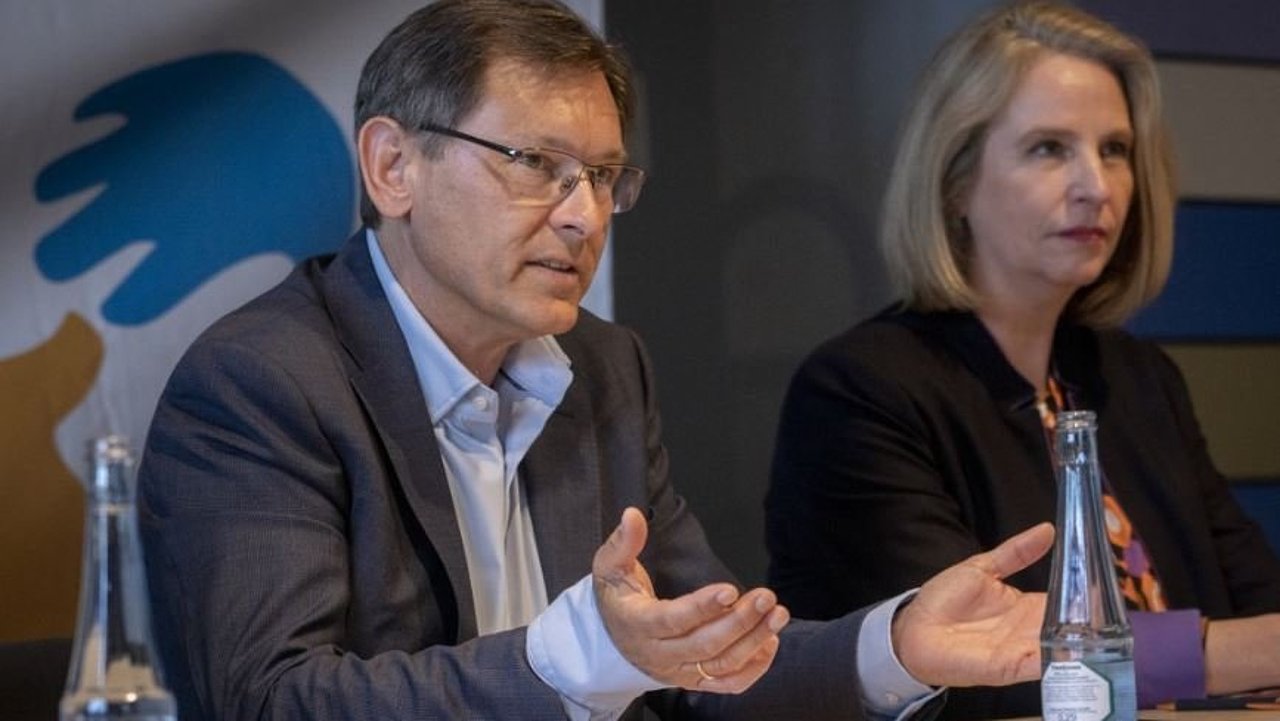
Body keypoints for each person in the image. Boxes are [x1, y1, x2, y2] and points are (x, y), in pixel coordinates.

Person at [138, 1, 1055, 720]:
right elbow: (272, 700)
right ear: (392, 167)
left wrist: (896, 646)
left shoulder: (606, 365)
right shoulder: (262, 382)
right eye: (535, 162)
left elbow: (707, 663)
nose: (583, 215)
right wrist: (579, 656)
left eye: (604, 175)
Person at [766, 2, 1280, 719]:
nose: (1096, 186)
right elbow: (983, 666)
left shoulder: (1140, 377)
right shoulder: (859, 391)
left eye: (1114, 150)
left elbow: (1255, 600)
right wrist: (1233, 654)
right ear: (955, 181)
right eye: (1048, 149)